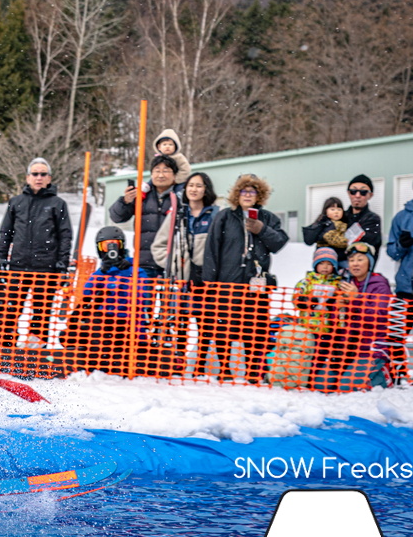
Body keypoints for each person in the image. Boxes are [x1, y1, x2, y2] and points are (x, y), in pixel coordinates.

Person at [201, 174, 288, 384]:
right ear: (236, 194)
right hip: (227, 282)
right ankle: (224, 368)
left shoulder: (267, 218)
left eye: (252, 191)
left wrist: (262, 229)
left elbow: (280, 243)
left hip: (256, 285)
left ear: (259, 195)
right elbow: (212, 248)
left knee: (255, 328)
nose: (248, 195)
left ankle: (252, 370)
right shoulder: (224, 216)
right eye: (244, 191)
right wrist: (209, 282)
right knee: (223, 327)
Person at [59, 227, 160, 377]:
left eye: (114, 245)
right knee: (89, 329)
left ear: (121, 246)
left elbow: (144, 296)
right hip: (104, 324)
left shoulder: (136, 270)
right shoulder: (100, 273)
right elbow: (86, 294)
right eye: (105, 246)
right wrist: (103, 272)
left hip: (127, 323)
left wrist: (127, 272)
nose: (110, 250)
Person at [0, 157, 72, 347]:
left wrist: (62, 263)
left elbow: (65, 235)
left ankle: (36, 347)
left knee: (42, 310)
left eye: (43, 174)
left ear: (49, 178)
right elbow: (6, 232)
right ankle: (6, 345)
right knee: (11, 309)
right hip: (18, 266)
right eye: (35, 174)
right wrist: (1, 259)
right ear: (28, 177)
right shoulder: (16, 202)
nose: (39, 177)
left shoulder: (57, 204)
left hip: (45, 268)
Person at [151, 171, 219, 375]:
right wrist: (171, 264)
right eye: (191, 185)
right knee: (180, 321)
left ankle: (201, 363)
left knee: (205, 323)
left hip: (206, 278)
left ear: (206, 189)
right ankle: (178, 364)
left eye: (199, 186)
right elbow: (158, 246)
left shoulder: (216, 215)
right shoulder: (177, 215)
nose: (194, 189)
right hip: (181, 278)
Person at [316, 241, 396, 390]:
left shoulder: (379, 284)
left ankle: (382, 376)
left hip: (370, 348)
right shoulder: (345, 283)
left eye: (360, 259)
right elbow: (335, 321)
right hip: (346, 348)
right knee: (321, 385)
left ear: (370, 263)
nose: (355, 264)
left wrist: (357, 299)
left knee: (347, 388)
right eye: (352, 260)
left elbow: (379, 317)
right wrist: (336, 309)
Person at [272, 247, 343, 390]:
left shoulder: (337, 283)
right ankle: (305, 378)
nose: (325, 267)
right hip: (308, 327)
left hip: (328, 328)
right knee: (306, 354)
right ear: (316, 264)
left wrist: (334, 302)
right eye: (322, 263)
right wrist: (305, 301)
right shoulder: (306, 281)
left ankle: (318, 378)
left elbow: (342, 301)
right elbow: (296, 298)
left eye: (329, 264)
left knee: (322, 354)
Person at [107, 155, 178, 275]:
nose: (161, 175)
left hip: (172, 262)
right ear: (151, 174)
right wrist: (125, 201)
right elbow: (116, 216)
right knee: (144, 293)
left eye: (166, 171)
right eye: (157, 171)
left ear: (174, 175)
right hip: (145, 263)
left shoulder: (180, 196)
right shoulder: (142, 195)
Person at [387, 170, 413, 379]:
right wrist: (402, 244)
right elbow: (391, 251)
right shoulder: (402, 217)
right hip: (404, 286)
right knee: (396, 333)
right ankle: (397, 375)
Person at [302, 197, 349, 266]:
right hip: (326, 259)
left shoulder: (344, 223)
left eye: (339, 209)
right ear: (326, 211)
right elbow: (330, 238)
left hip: (340, 257)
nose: (336, 212)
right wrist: (347, 242)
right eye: (332, 209)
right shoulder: (324, 224)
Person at [343, 175, 382, 253]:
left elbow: (365, 246)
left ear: (370, 195)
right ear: (348, 193)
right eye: (353, 191)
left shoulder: (373, 219)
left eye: (363, 192)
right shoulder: (339, 216)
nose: (357, 195)